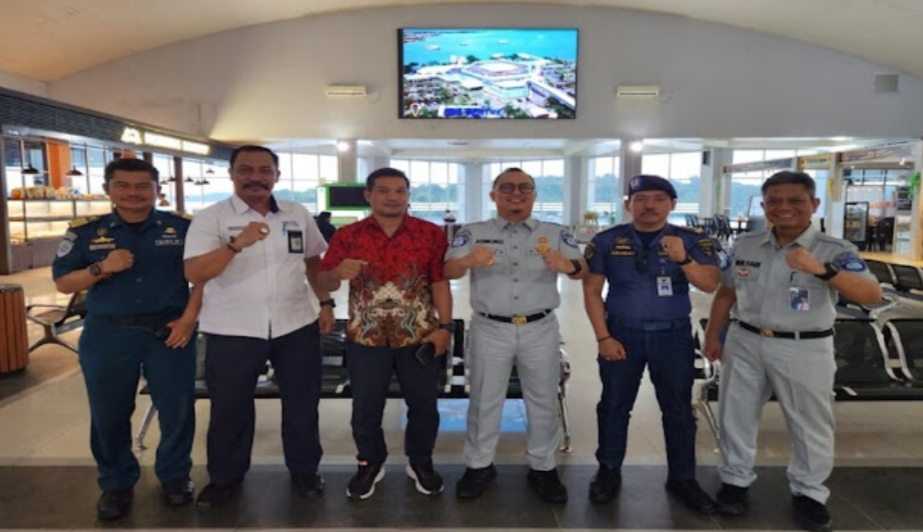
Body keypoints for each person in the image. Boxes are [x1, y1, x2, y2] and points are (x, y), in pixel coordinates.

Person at [703, 171, 882, 532]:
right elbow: (727, 292)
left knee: (809, 422)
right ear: (764, 205)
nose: (784, 207)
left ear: (813, 204)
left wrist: (823, 271)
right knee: (736, 414)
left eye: (795, 200)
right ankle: (735, 481)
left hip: (804, 345)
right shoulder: (746, 245)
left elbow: (871, 296)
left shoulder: (835, 250)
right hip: (745, 340)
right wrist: (712, 335)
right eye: (774, 201)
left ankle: (809, 493)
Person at [183, 145, 333, 509]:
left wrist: (325, 302)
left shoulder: (297, 213)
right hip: (232, 329)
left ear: (276, 176)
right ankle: (225, 478)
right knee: (229, 408)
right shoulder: (211, 218)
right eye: (246, 169)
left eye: (265, 170)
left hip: (295, 325)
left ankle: (305, 471)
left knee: (302, 404)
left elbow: (313, 260)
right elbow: (195, 272)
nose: (256, 177)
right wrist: (236, 245)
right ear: (232, 174)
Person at [52, 158, 201, 520]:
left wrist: (189, 320)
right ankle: (116, 483)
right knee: (109, 412)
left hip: (168, 331)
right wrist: (101, 267)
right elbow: (63, 283)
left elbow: (204, 278)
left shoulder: (183, 228)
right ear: (108, 189)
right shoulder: (86, 232)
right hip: (107, 333)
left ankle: (175, 476)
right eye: (123, 185)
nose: (133, 193)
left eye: (142, 186)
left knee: (177, 408)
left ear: (157, 190)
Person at [444, 167, 587, 504]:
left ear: (534, 195)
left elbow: (583, 269)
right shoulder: (472, 232)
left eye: (525, 188)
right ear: (493, 195)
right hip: (490, 328)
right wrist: (468, 260)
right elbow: (448, 270)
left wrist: (568, 267)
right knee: (484, 400)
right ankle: (479, 465)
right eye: (507, 188)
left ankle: (543, 467)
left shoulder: (556, 233)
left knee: (543, 399)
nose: (516, 194)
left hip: (540, 328)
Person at [581, 174, 720, 514]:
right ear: (628, 204)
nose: (649, 205)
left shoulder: (694, 241)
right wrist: (603, 337)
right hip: (621, 334)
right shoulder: (607, 241)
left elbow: (710, 284)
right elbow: (591, 290)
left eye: (659, 199)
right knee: (614, 405)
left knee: (678, 409)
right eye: (641, 199)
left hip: (673, 337)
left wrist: (683, 259)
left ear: (672, 204)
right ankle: (608, 470)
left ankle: (683, 478)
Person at [317, 167, 453, 500]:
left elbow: (439, 282)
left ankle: (420, 462)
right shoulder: (348, 235)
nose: (392, 197)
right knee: (365, 409)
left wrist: (445, 328)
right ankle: (369, 462)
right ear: (369, 195)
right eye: (383, 190)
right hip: (366, 337)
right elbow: (323, 280)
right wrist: (338, 272)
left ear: (408, 195)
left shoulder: (430, 234)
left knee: (424, 407)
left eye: (400, 191)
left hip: (419, 336)